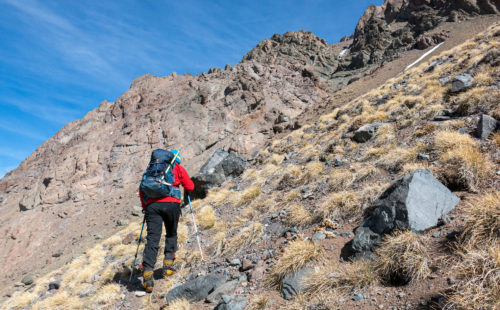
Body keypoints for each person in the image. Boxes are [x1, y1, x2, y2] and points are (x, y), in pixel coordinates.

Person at [139, 149, 194, 293]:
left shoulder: (151, 170)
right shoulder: (177, 168)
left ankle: (147, 276)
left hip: (152, 207)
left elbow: (142, 189)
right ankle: (167, 267)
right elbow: (190, 186)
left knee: (152, 239)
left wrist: (146, 207)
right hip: (171, 204)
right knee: (171, 233)